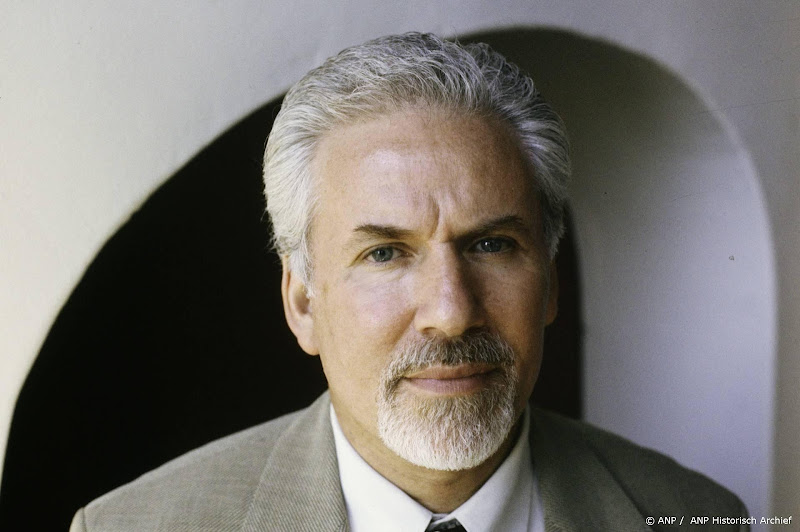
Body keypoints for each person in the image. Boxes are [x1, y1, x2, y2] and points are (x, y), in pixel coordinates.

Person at [71, 32, 747, 531]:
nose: (451, 312)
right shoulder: (133, 528)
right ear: (303, 302)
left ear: (549, 284)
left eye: (491, 244)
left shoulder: (698, 516)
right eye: (386, 254)